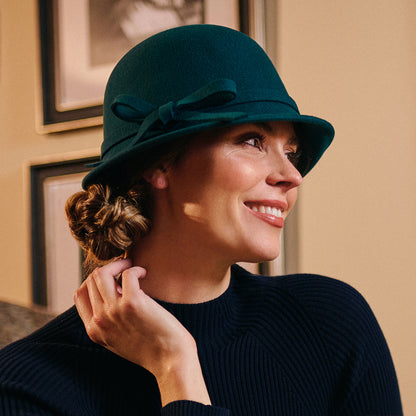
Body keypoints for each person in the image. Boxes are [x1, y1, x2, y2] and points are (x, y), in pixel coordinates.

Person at [0, 24, 402, 415]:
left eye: (291, 152)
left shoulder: (332, 323)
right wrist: (175, 366)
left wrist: (176, 366)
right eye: (252, 140)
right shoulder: (26, 386)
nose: (292, 175)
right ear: (158, 163)